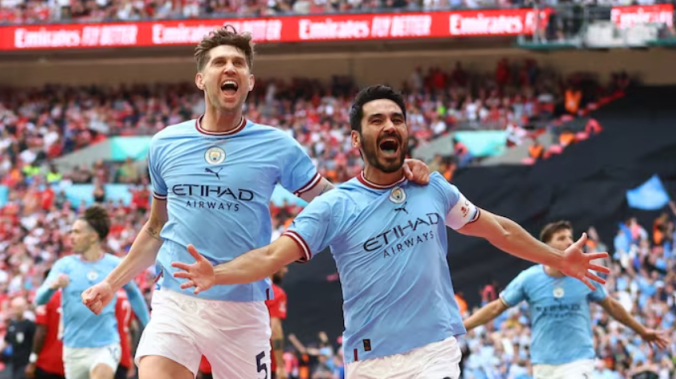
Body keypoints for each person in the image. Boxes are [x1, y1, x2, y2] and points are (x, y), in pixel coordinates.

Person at [169, 85, 611, 379]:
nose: (389, 126)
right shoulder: (335, 205)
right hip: (369, 359)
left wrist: (557, 259)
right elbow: (271, 257)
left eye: (396, 119)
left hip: (435, 348)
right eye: (376, 120)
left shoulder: (433, 187)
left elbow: (496, 230)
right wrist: (218, 274)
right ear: (356, 140)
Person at [80, 26, 430, 379]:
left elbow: (333, 200)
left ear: (250, 81)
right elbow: (156, 228)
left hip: (242, 307)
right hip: (176, 300)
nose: (229, 68)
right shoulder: (165, 144)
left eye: (238, 63)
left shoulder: (278, 146)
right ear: (201, 79)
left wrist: (394, 176)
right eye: (219, 62)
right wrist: (112, 282)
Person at [463, 220, 669, 379]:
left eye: (570, 238)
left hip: (579, 360)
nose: (569, 242)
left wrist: (642, 331)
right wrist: (462, 326)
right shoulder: (529, 278)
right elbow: (496, 308)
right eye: (561, 238)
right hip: (543, 364)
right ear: (545, 246)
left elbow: (612, 306)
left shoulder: (584, 275)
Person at [35, 205, 150, 379]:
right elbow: (39, 300)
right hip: (73, 348)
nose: (71, 237)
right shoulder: (64, 265)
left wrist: (148, 325)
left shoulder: (114, 265)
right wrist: (52, 286)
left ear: (93, 236)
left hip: (106, 344)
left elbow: (134, 293)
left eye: (76, 232)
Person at [26, 270, 65, 379]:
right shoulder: (77, 298)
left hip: (48, 362)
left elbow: (41, 332)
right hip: (73, 359)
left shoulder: (47, 299)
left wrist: (32, 360)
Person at [265, 268, 288, 379]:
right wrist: (280, 366)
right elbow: (275, 330)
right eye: (283, 265)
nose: (285, 270)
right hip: (264, 362)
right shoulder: (275, 293)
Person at [5, 297, 36, 379]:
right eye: (15, 307)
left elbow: (35, 345)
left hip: (25, 363)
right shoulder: (12, 324)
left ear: (25, 307)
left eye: (19, 307)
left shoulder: (30, 325)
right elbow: (6, 340)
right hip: (14, 362)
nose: (17, 310)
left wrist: (32, 363)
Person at [114, 289, 135, 379]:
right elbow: (129, 328)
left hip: (106, 348)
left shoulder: (107, 294)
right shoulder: (128, 295)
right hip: (123, 350)